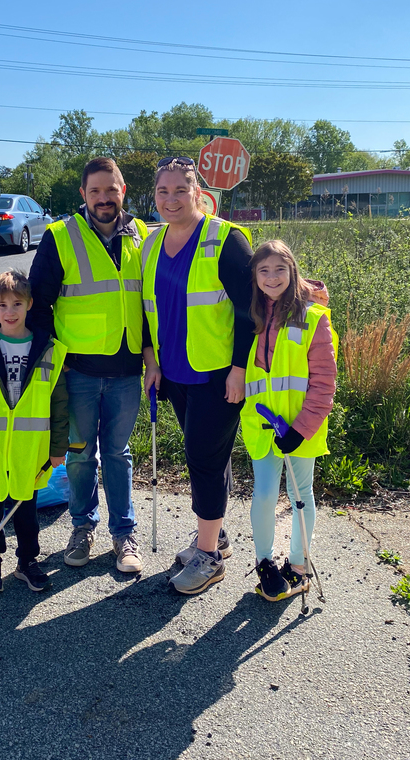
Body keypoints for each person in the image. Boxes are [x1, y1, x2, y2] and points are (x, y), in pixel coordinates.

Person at [28, 157, 157, 574]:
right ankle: (82, 527)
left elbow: (151, 303)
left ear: (124, 191)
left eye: (112, 189)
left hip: (125, 370)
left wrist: (151, 357)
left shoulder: (142, 236)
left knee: (117, 454)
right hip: (77, 372)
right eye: (96, 191)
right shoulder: (59, 237)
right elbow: (37, 305)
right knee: (81, 455)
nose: (105, 198)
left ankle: (124, 534)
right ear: (83, 195)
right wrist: (53, 361)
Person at [141, 157, 254, 595]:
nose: (171, 200)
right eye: (163, 192)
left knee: (203, 459)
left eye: (180, 190)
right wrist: (152, 361)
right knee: (212, 456)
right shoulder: (151, 244)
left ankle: (208, 558)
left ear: (198, 193)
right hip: (175, 373)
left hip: (217, 375)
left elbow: (250, 311)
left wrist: (239, 370)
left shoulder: (226, 239)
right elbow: (148, 310)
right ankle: (216, 537)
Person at [0, 269, 69, 595]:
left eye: (17, 304)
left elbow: (59, 405)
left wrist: (57, 448)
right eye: (2, 304)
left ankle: (27, 562)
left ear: (29, 304)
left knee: (26, 511)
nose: (10, 311)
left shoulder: (48, 350)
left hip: (29, 452)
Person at [239, 240, 337, 601]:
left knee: (300, 495)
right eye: (263, 270)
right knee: (263, 495)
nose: (272, 277)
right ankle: (264, 562)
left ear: (293, 271)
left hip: (301, 427)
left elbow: (324, 382)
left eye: (280, 269)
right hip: (261, 425)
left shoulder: (314, 318)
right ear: (254, 276)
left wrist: (301, 429)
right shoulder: (248, 317)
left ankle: (298, 566)